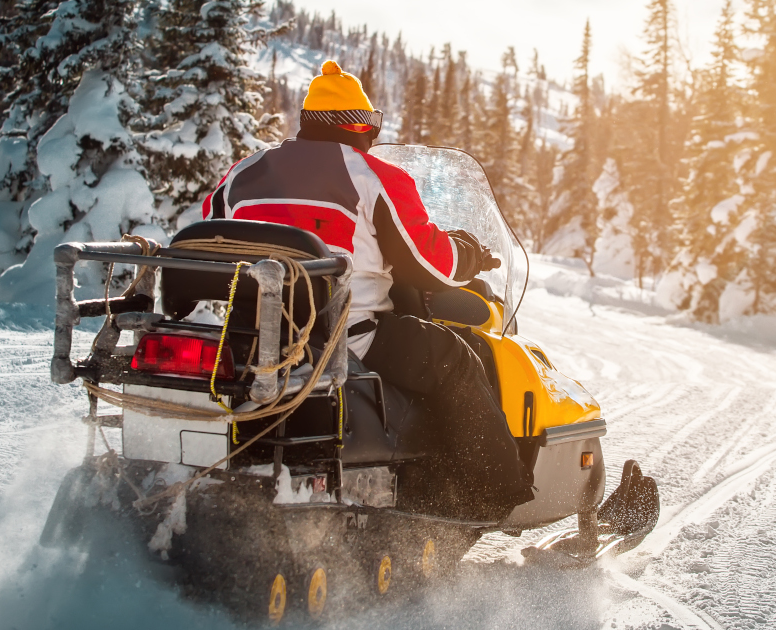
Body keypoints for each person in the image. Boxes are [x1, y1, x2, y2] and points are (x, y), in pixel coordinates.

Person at [201, 60, 532, 518]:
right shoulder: (373, 177)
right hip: (347, 336)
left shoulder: (241, 172)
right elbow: (431, 265)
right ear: (361, 124)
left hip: (253, 338)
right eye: (371, 124)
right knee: (456, 360)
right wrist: (468, 255)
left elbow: (210, 239)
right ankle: (494, 498)